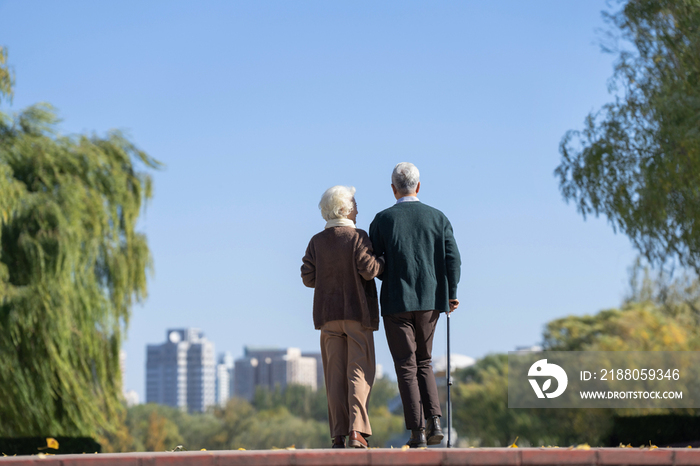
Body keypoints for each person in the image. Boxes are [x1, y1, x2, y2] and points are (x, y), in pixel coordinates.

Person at [369, 162, 461, 448]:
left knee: (405, 367)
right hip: (431, 301)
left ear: (393, 189)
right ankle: (435, 421)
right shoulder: (438, 217)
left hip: (396, 301)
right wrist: (451, 294)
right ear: (418, 186)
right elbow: (452, 259)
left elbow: (375, 264)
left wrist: (390, 269)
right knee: (424, 362)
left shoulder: (382, 220)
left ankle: (417, 432)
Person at [301, 185, 384, 449]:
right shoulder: (358, 237)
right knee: (358, 371)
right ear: (346, 208)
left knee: (334, 375)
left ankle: (338, 435)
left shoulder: (316, 241)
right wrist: (383, 260)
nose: (357, 208)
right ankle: (357, 432)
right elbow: (369, 270)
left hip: (327, 317)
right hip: (357, 314)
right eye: (355, 203)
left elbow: (308, 277)